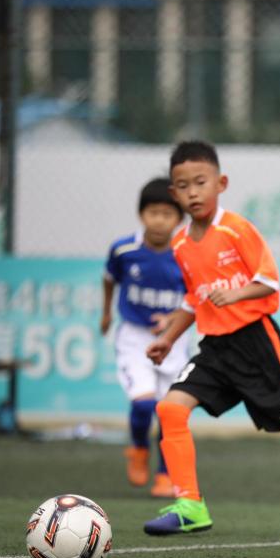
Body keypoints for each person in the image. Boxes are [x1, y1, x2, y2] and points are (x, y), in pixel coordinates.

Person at [142, 141, 280, 535]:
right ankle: (190, 505)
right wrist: (168, 337)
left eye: (201, 182)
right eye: (183, 186)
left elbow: (269, 283)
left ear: (221, 183)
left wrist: (234, 294)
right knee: (170, 410)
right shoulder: (180, 244)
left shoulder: (236, 229)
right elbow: (192, 299)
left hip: (257, 345)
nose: (193, 192)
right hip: (215, 349)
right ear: (174, 193)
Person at [101, 177, 187, 498]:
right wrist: (106, 313)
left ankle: (165, 475)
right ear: (141, 215)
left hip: (172, 338)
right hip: (134, 337)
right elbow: (109, 279)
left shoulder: (185, 253)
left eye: (167, 214)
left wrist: (171, 318)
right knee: (143, 403)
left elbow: (195, 297)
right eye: (153, 212)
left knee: (169, 410)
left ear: (179, 218)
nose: (160, 220)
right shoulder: (124, 250)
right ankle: (138, 448)